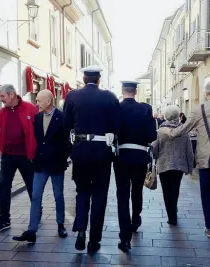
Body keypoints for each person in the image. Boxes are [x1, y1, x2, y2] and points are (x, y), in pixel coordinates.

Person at [63, 65, 120, 254]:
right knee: (99, 195)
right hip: (102, 152)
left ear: (84, 78)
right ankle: (94, 240)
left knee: (82, 191)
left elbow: (67, 124)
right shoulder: (110, 97)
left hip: (80, 151)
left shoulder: (72, 96)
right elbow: (116, 125)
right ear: (98, 80)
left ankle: (80, 229)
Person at [13, 89, 69, 242]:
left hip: (56, 164)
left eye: (38, 100)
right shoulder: (37, 118)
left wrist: (63, 158)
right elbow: (37, 139)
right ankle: (32, 231)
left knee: (58, 196)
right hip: (40, 165)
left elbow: (67, 143)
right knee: (36, 196)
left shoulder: (62, 117)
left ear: (48, 101)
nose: (36, 103)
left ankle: (60, 224)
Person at [161, 80, 210, 237]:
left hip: (207, 159)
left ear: (206, 93)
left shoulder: (200, 109)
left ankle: (209, 227)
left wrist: (166, 131)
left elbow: (182, 130)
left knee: (207, 194)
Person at [113, 81, 157, 253]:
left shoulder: (116, 108)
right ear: (136, 91)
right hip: (139, 156)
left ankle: (124, 238)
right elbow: (151, 135)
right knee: (137, 190)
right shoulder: (145, 109)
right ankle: (136, 219)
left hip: (121, 157)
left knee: (122, 195)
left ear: (122, 91)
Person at [0, 84, 38, 233]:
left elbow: (38, 131)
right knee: (3, 187)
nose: (1, 99)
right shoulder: (2, 113)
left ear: (12, 95)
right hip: (8, 156)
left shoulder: (31, 109)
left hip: (26, 156)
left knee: (32, 187)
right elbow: (0, 131)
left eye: (3, 96)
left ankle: (36, 214)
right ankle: (4, 220)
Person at [152, 105, 193, 226]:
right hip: (179, 166)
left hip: (164, 165)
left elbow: (154, 149)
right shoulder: (183, 132)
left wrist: (154, 157)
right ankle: (174, 210)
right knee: (175, 189)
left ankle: (171, 216)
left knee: (166, 191)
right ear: (177, 115)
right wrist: (189, 167)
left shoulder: (159, 132)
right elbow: (189, 151)